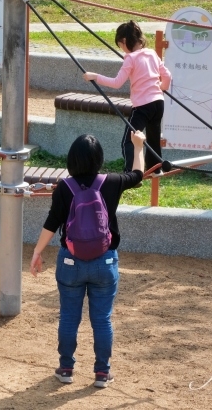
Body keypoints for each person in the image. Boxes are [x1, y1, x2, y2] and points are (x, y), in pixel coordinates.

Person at [30, 130, 146, 389]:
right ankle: (102, 373)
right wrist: (138, 146)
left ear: (72, 159)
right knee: (102, 319)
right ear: (99, 158)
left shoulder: (64, 188)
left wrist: (38, 252)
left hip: (70, 261)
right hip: (105, 262)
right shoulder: (112, 182)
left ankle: (66, 368)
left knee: (69, 318)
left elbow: (52, 222)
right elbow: (138, 175)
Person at [83, 20, 170, 172]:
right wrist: (161, 88)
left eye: (121, 46)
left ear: (124, 41)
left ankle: (131, 172)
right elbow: (167, 76)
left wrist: (95, 76)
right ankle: (156, 168)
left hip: (143, 106)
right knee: (153, 139)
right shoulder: (151, 53)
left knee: (129, 141)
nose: (123, 50)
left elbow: (117, 83)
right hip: (158, 103)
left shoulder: (130, 59)